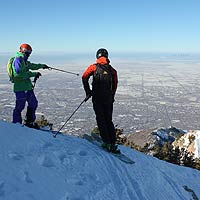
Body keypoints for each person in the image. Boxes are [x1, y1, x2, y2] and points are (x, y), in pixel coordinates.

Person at [82, 48, 120, 153]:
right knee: (108, 120)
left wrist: (88, 92)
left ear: (97, 56)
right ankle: (112, 142)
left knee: (101, 119)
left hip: (97, 98)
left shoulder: (94, 67)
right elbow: (115, 85)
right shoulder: (112, 70)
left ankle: (106, 142)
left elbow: (84, 77)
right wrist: (112, 96)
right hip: (108, 99)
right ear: (107, 56)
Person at [11, 43, 50, 129]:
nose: (29, 55)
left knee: (33, 103)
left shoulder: (24, 60)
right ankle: (16, 125)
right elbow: (18, 74)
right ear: (23, 51)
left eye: (29, 53)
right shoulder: (18, 60)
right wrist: (33, 74)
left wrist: (42, 66)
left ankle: (29, 122)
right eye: (28, 53)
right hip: (20, 88)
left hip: (27, 88)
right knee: (20, 107)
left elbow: (32, 65)